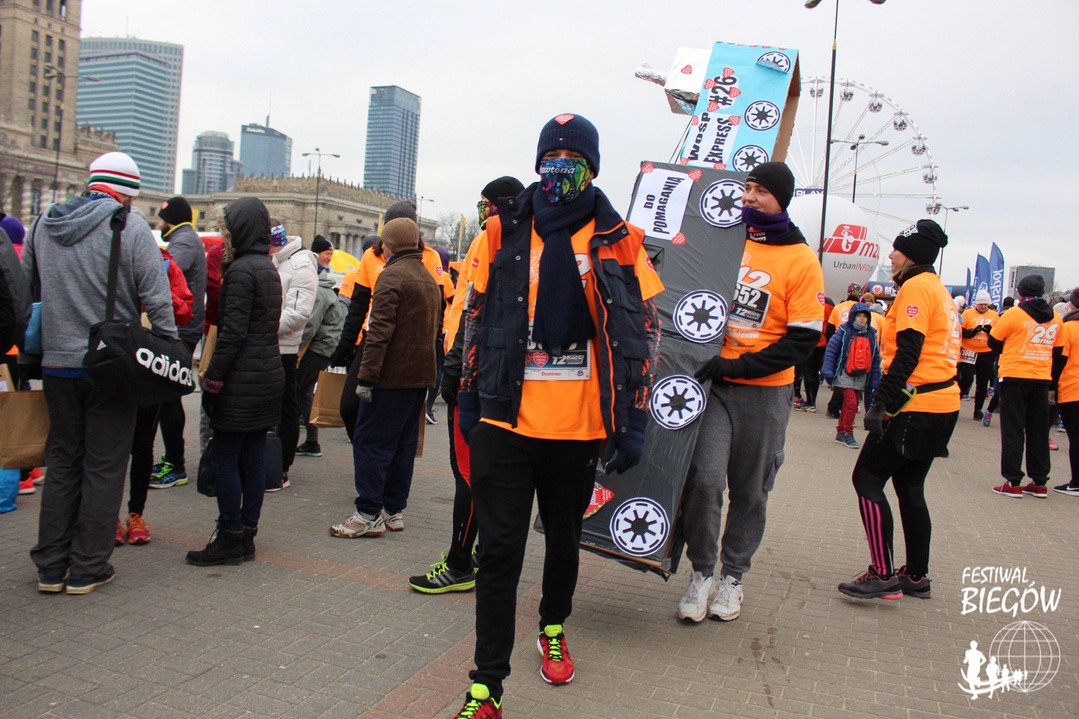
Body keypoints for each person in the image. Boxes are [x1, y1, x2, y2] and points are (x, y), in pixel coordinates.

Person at [450, 114, 662, 718]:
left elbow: (643, 331)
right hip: (506, 419)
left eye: (573, 158)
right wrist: (467, 396)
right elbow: (475, 312)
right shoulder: (502, 229)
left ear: (592, 168)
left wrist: (633, 417)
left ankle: (552, 625)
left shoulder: (618, 236)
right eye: (551, 157)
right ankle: (486, 688)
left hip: (578, 425)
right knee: (499, 552)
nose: (560, 167)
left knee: (564, 539)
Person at [25, 152, 176, 594]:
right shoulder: (128, 225)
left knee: (62, 462)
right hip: (111, 368)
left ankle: (50, 566)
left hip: (56, 364)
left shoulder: (44, 223)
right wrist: (171, 348)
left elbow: (26, 288)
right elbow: (157, 297)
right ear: (127, 194)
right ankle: (88, 567)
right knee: (105, 466)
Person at [680, 161, 824, 623]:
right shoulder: (727, 239)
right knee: (705, 479)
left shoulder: (801, 259)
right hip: (716, 386)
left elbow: (802, 341)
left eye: (760, 190)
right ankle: (702, 571)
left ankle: (733, 577)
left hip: (765, 393)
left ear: (781, 198)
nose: (748, 197)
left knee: (751, 489)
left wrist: (739, 366)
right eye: (747, 188)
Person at [408, 175, 524, 595]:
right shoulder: (509, 240)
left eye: (486, 205)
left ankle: (459, 564)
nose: (482, 213)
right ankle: (479, 553)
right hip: (487, 373)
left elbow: (477, 312)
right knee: (482, 475)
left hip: (476, 377)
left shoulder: (496, 240)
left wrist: (457, 370)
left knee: (470, 475)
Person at [837, 219, 958, 600]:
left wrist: (880, 404)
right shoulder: (938, 288)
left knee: (866, 480)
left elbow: (908, 353)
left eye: (897, 249)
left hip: (915, 403)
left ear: (914, 255)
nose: (890, 255)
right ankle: (916, 576)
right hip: (943, 402)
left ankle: (882, 573)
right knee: (909, 486)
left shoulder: (916, 287)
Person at [329, 218, 441, 538]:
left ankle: (367, 513)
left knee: (371, 442)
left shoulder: (391, 275)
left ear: (389, 244)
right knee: (403, 445)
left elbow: (379, 333)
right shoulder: (428, 276)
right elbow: (433, 331)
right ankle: (393, 510)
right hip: (419, 376)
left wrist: (366, 377)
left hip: (390, 376)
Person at [189, 197, 284, 566]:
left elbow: (233, 334)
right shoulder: (267, 267)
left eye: (227, 229)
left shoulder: (242, 271)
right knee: (253, 456)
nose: (224, 236)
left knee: (226, 456)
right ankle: (246, 534)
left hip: (242, 379)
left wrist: (213, 377)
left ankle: (230, 534)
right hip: (266, 375)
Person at [330, 202, 452, 439]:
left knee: (397, 414)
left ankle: (378, 452)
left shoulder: (429, 257)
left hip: (410, 344)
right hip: (373, 337)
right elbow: (358, 306)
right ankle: (364, 448)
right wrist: (344, 345)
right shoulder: (371, 255)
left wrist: (434, 347)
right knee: (349, 407)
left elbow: (436, 307)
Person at [118, 242, 194, 546]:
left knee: (142, 444)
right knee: (108, 445)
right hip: (113, 360)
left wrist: (158, 298)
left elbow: (185, 310)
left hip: (149, 362)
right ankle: (107, 515)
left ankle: (135, 514)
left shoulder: (163, 262)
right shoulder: (101, 253)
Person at [143, 196, 206, 490]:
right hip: (180, 327)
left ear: (172, 220)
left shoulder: (185, 242)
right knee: (165, 394)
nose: (159, 224)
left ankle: (176, 465)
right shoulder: (184, 239)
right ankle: (171, 459)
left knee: (168, 395)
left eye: (162, 219)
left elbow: (162, 273)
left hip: (180, 328)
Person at [988, 274, 1064, 498]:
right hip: (1041, 378)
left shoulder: (1014, 314)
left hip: (1014, 376)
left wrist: (1012, 349)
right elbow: (1058, 352)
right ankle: (1039, 482)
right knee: (1038, 431)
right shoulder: (1056, 317)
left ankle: (1013, 481)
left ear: (1020, 293)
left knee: (1013, 430)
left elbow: (993, 342)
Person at [268, 225, 317, 490]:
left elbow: (298, 314)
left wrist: (262, 328)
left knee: (287, 408)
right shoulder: (275, 261)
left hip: (284, 347)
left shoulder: (301, 265)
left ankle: (281, 467)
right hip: (267, 345)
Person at [294, 239, 346, 458]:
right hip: (324, 348)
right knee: (304, 393)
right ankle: (311, 441)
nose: (329, 258)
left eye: (331, 254)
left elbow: (310, 325)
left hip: (317, 349)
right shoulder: (324, 285)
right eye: (327, 253)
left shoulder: (320, 288)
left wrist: (293, 342)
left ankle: (289, 438)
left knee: (295, 391)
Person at [822, 303, 881, 449]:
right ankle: (848, 433)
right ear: (853, 316)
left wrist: (875, 378)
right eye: (859, 316)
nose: (862, 319)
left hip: (861, 376)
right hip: (844, 374)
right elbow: (831, 351)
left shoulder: (871, 334)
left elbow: (875, 358)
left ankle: (841, 431)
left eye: (865, 316)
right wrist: (828, 371)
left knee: (849, 405)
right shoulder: (844, 331)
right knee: (851, 404)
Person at [1053, 288, 1079, 495]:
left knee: (1076, 438)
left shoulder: (1068, 327)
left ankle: (1076, 482)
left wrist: (1052, 385)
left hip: (1072, 388)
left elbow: (1060, 359)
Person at [825, 284, 864, 417]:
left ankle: (836, 407)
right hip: (856, 346)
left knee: (841, 375)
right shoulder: (861, 309)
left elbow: (829, 329)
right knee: (850, 377)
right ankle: (836, 406)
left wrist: (833, 345)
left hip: (839, 342)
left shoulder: (838, 307)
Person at [959, 290, 999, 420]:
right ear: (976, 303)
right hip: (968, 350)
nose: (983, 306)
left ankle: (978, 410)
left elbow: (999, 333)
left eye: (985, 304)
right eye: (981, 304)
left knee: (982, 382)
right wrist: (973, 331)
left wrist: (990, 331)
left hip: (986, 352)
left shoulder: (994, 315)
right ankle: (955, 402)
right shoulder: (967, 313)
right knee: (967, 378)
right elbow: (961, 331)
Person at [796, 295, 833, 414]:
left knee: (807, 372)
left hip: (809, 341)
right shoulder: (829, 303)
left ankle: (810, 402)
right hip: (822, 342)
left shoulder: (807, 300)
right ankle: (813, 401)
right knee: (815, 371)